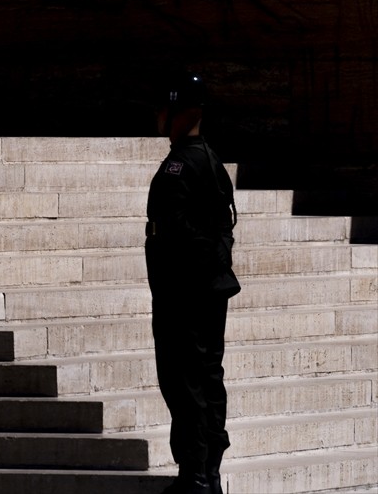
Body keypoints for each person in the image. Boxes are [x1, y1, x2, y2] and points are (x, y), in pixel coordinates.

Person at [146, 73, 241, 494]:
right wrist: (214, 267)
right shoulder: (212, 160)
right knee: (207, 377)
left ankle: (196, 476)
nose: (159, 115)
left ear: (185, 113)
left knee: (184, 381)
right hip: (209, 289)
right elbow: (224, 227)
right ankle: (210, 473)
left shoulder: (179, 165)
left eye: (165, 107)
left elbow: (178, 232)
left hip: (183, 294)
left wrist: (195, 274)